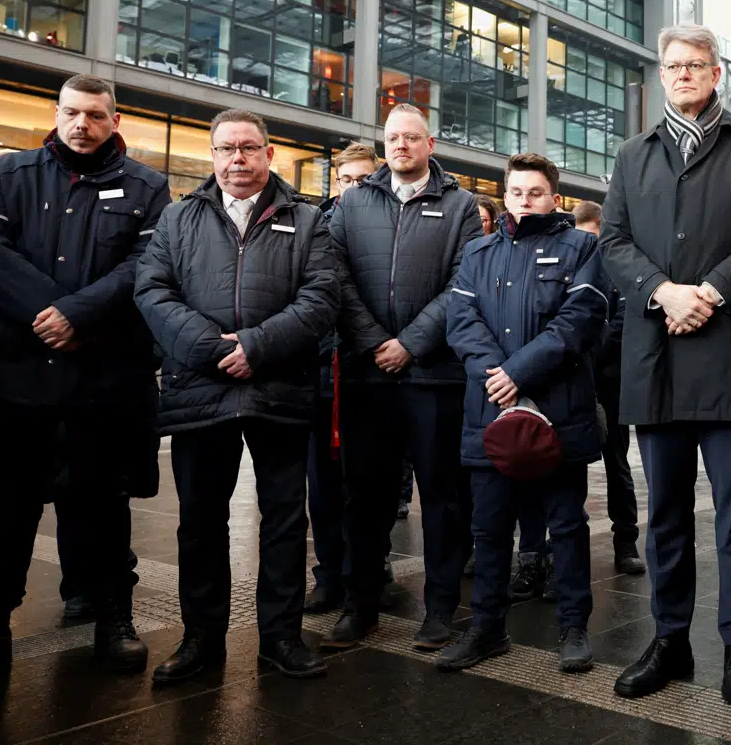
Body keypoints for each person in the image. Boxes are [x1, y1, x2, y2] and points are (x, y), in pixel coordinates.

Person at [599, 24, 731, 706]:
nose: (683, 74)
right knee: (667, 515)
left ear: (717, 73)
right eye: (673, 65)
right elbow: (613, 240)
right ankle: (670, 640)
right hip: (658, 356)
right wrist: (664, 292)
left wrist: (709, 292)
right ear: (662, 74)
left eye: (695, 64)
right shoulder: (633, 154)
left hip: (730, 351)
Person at [0, 74, 170, 675]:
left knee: (102, 504)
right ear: (56, 115)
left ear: (115, 121)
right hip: (19, 375)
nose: (82, 124)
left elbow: (146, 265)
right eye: (72, 113)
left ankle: (114, 619)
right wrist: (53, 313)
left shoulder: (148, 187)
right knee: (9, 505)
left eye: (95, 115)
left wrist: (79, 317)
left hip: (102, 378)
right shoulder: (8, 175)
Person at [134, 108, 337, 682]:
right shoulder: (179, 219)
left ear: (269, 154)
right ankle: (201, 639)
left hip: (280, 388)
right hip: (201, 389)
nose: (237, 160)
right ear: (213, 155)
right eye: (226, 149)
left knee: (282, 522)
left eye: (248, 148)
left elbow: (322, 297)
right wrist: (209, 347)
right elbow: (151, 289)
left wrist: (255, 346)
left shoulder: (309, 219)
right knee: (200, 520)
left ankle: (281, 638)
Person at [440, 153, 610, 673]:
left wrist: (518, 373)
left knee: (566, 524)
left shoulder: (582, 248)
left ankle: (574, 628)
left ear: (553, 198)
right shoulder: (478, 251)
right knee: (489, 529)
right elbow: (460, 321)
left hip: (556, 413)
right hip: (490, 410)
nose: (524, 200)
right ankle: (488, 629)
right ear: (505, 193)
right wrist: (499, 374)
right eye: (516, 192)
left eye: (535, 192)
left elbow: (579, 320)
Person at [324, 104, 482, 653]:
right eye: (393, 138)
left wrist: (411, 343)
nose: (401, 146)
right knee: (364, 496)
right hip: (368, 375)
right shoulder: (353, 202)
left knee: (441, 496)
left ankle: (439, 610)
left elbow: (464, 284)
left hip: (434, 376)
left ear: (430, 143)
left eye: (411, 138)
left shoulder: (460, 205)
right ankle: (359, 603)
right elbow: (333, 275)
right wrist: (374, 343)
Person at [304, 141, 379, 615]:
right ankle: (328, 574)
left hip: (367, 363)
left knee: (367, 481)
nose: (352, 188)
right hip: (319, 366)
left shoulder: (381, 223)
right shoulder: (314, 223)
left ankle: (367, 569)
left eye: (362, 180)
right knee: (322, 483)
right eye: (345, 179)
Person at [573, 199, 645, 575]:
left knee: (617, 464)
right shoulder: (573, 267)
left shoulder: (619, 271)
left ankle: (626, 541)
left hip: (609, 382)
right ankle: (565, 545)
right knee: (570, 466)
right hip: (574, 380)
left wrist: (587, 350)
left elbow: (622, 323)